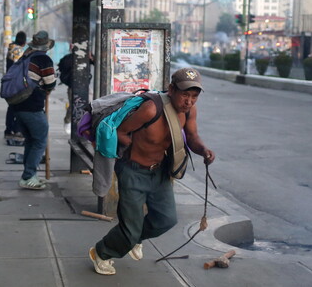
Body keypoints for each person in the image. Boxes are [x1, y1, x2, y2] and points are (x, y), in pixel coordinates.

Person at [89, 67, 216, 275]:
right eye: (185, 94)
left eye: (194, 96)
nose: (189, 101)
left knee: (166, 220)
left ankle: (134, 239)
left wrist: (204, 150)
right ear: (171, 89)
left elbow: (192, 137)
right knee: (129, 229)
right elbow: (120, 132)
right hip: (133, 171)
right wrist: (132, 148)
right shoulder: (151, 109)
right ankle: (101, 252)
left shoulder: (189, 111)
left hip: (160, 173)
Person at [10, 30, 56, 190]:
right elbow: (50, 83)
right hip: (33, 106)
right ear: (46, 46)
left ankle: (30, 175)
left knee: (30, 140)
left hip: (18, 105)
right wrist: (48, 86)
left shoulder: (26, 56)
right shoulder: (43, 59)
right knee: (40, 140)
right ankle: (28, 176)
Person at [4, 31, 27, 139]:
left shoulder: (11, 48)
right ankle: (16, 130)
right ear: (24, 41)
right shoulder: (18, 51)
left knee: (12, 107)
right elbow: (19, 68)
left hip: (10, 82)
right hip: (17, 83)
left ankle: (9, 130)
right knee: (18, 107)